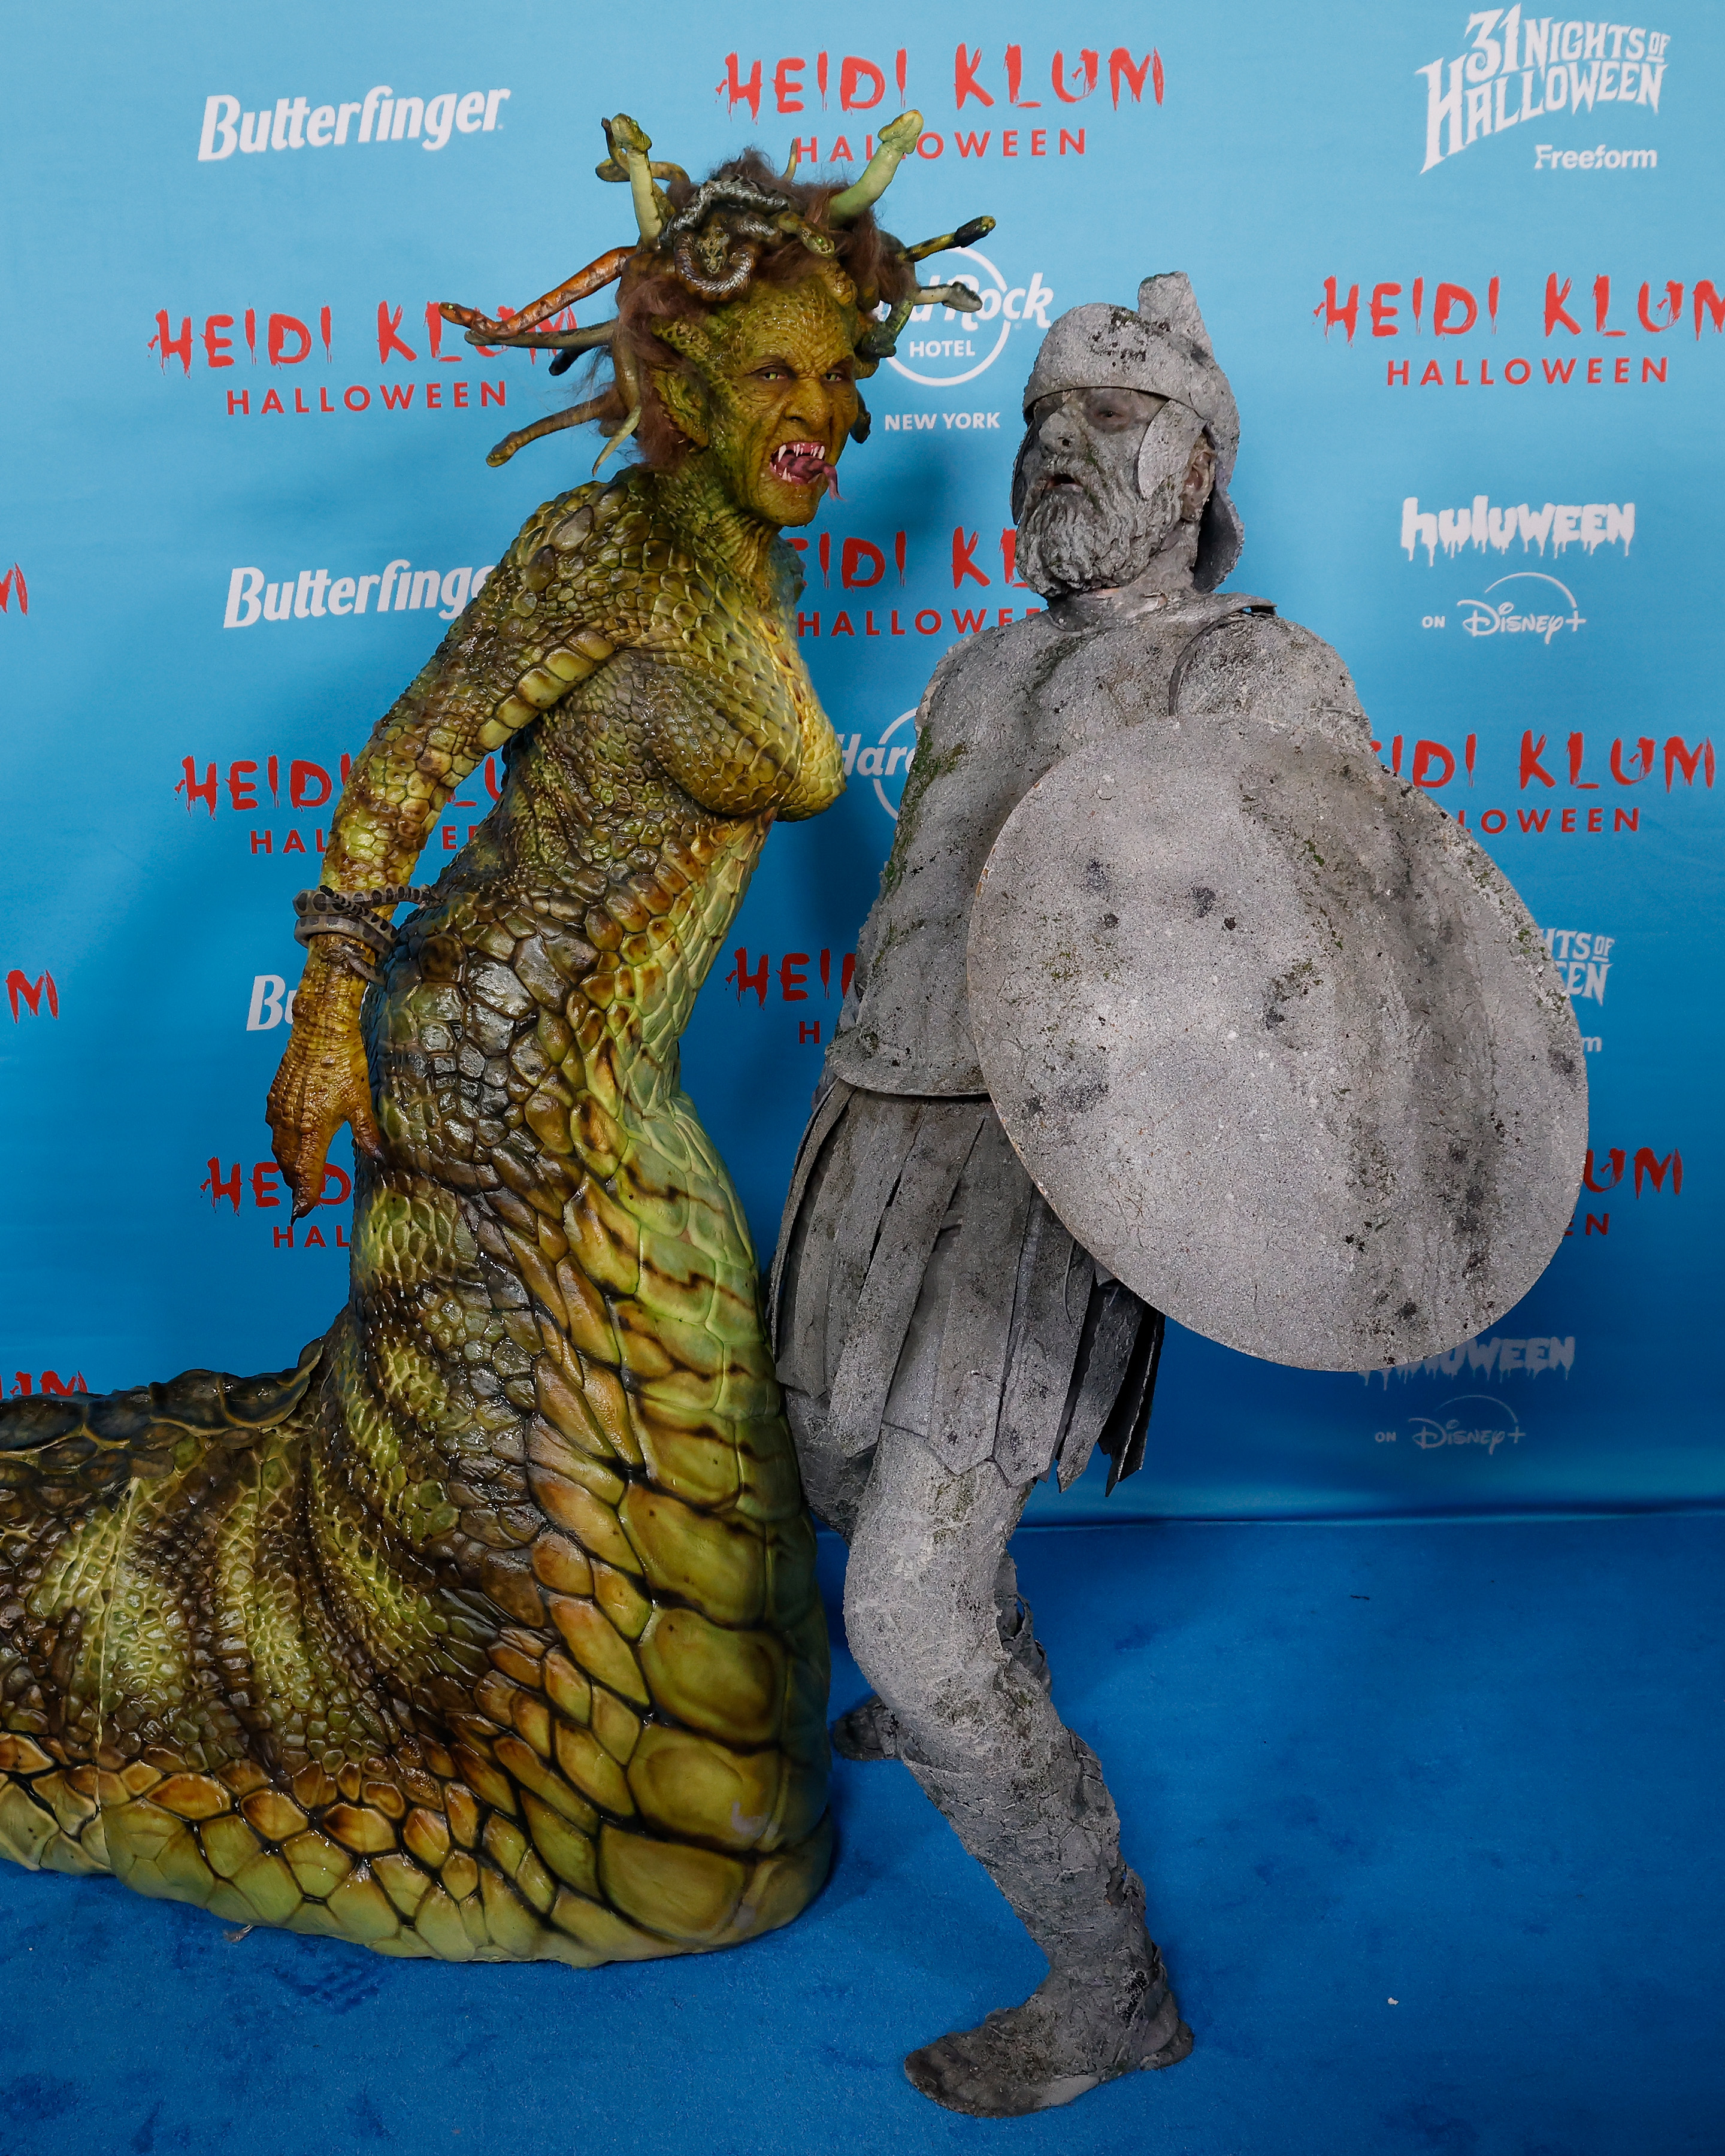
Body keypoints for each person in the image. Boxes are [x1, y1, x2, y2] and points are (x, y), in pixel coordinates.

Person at [0, 117, 987, 1969]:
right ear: (682, 378)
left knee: (640, 1426)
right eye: (772, 375)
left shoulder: (745, 568)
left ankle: (616, 1782)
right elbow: (411, 760)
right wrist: (326, 1011)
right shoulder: (597, 546)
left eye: (836, 377)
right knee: (532, 1450)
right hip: (491, 1055)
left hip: (600, 1067)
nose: (817, 416)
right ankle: (507, 1776)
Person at [771, 272, 1371, 2115]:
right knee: (831, 1467)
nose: (1059, 450)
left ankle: (1113, 1993)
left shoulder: (1251, 671)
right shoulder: (977, 668)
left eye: (1113, 420)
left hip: (1042, 1185)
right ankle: (958, 1681)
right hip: (870, 1131)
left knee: (906, 1609)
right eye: (1042, 421)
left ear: (1198, 467)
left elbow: (1325, 959)